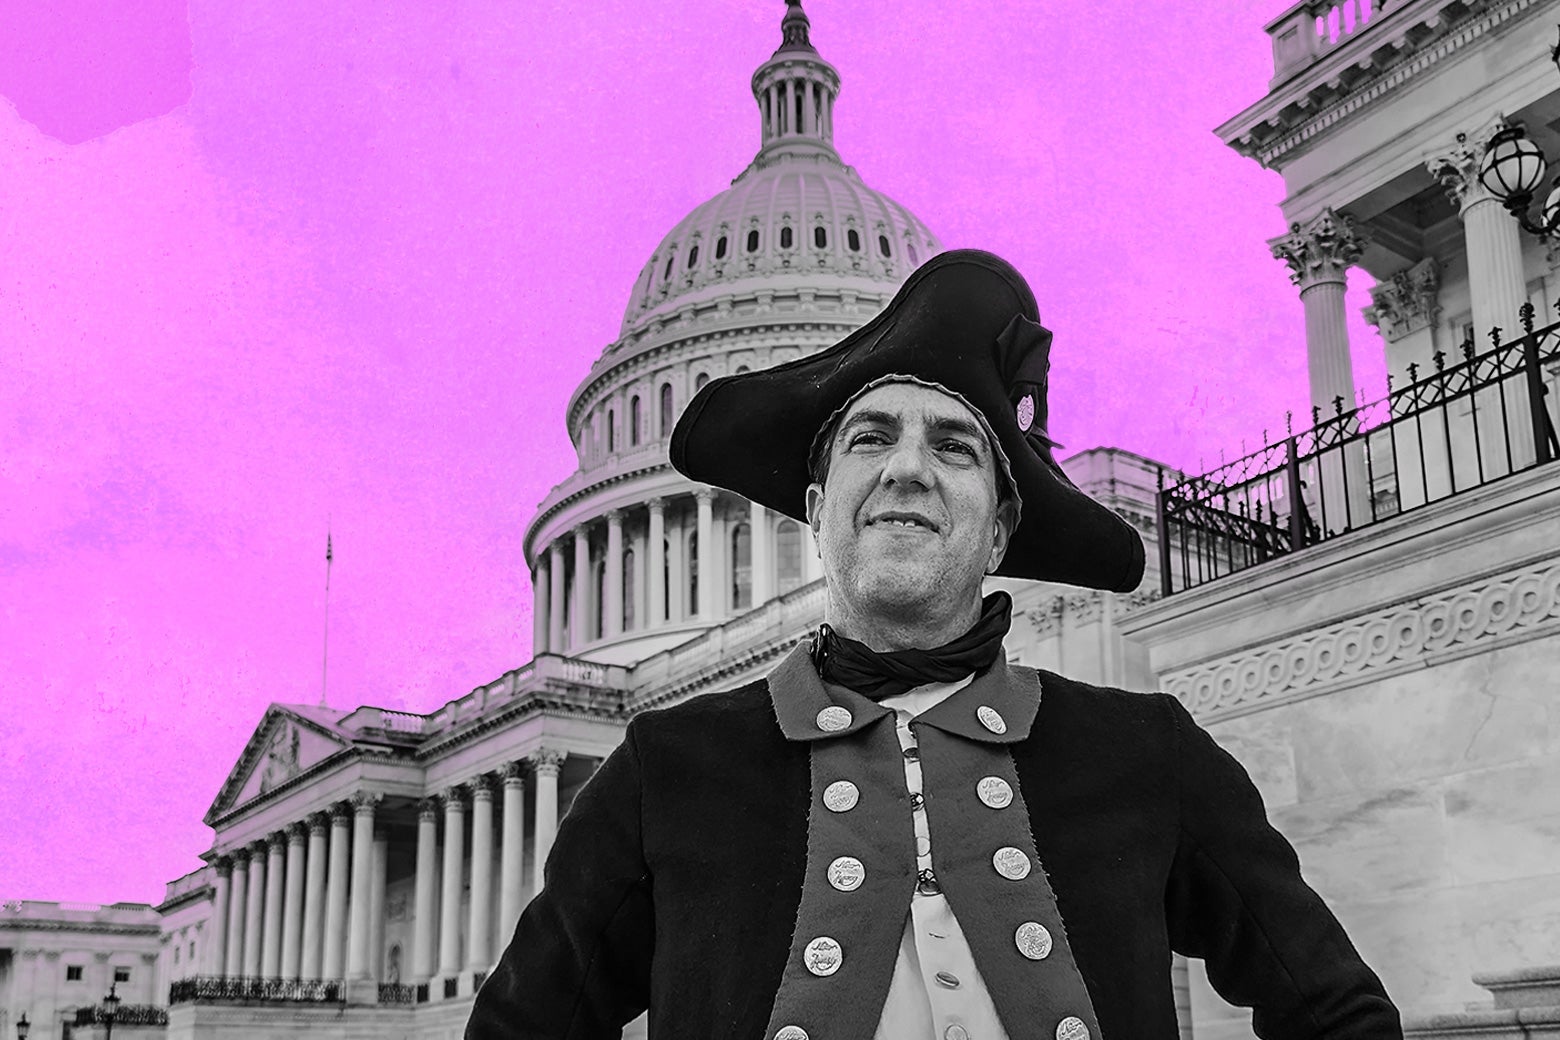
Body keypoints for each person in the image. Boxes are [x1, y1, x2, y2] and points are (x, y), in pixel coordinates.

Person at [466, 249, 1403, 1040]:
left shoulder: (1145, 751)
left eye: (955, 447)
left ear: (999, 532)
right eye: (870, 437)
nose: (908, 466)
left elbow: (1337, 1012)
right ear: (817, 509)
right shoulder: (668, 770)